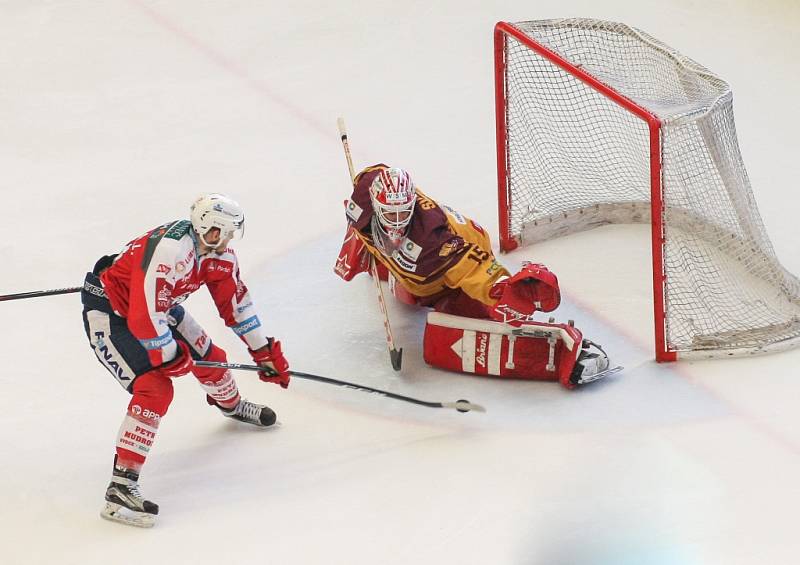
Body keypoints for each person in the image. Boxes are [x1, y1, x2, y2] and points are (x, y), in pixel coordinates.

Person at [81, 193, 290, 528]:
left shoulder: (214, 253)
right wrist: (169, 355)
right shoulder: (171, 249)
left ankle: (231, 405)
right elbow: (144, 316)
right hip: (113, 314)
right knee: (155, 388)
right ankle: (121, 485)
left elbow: (236, 305)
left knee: (212, 359)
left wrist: (262, 349)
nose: (229, 241)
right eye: (225, 233)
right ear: (208, 228)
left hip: (154, 306)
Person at [335, 164, 611, 387]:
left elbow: (471, 265)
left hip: (453, 267)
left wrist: (500, 289)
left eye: (403, 213)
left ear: (413, 205)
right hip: (416, 278)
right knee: (409, 293)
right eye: (389, 214)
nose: (396, 222)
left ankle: (573, 354)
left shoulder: (432, 240)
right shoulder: (364, 192)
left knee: (456, 322)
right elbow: (373, 174)